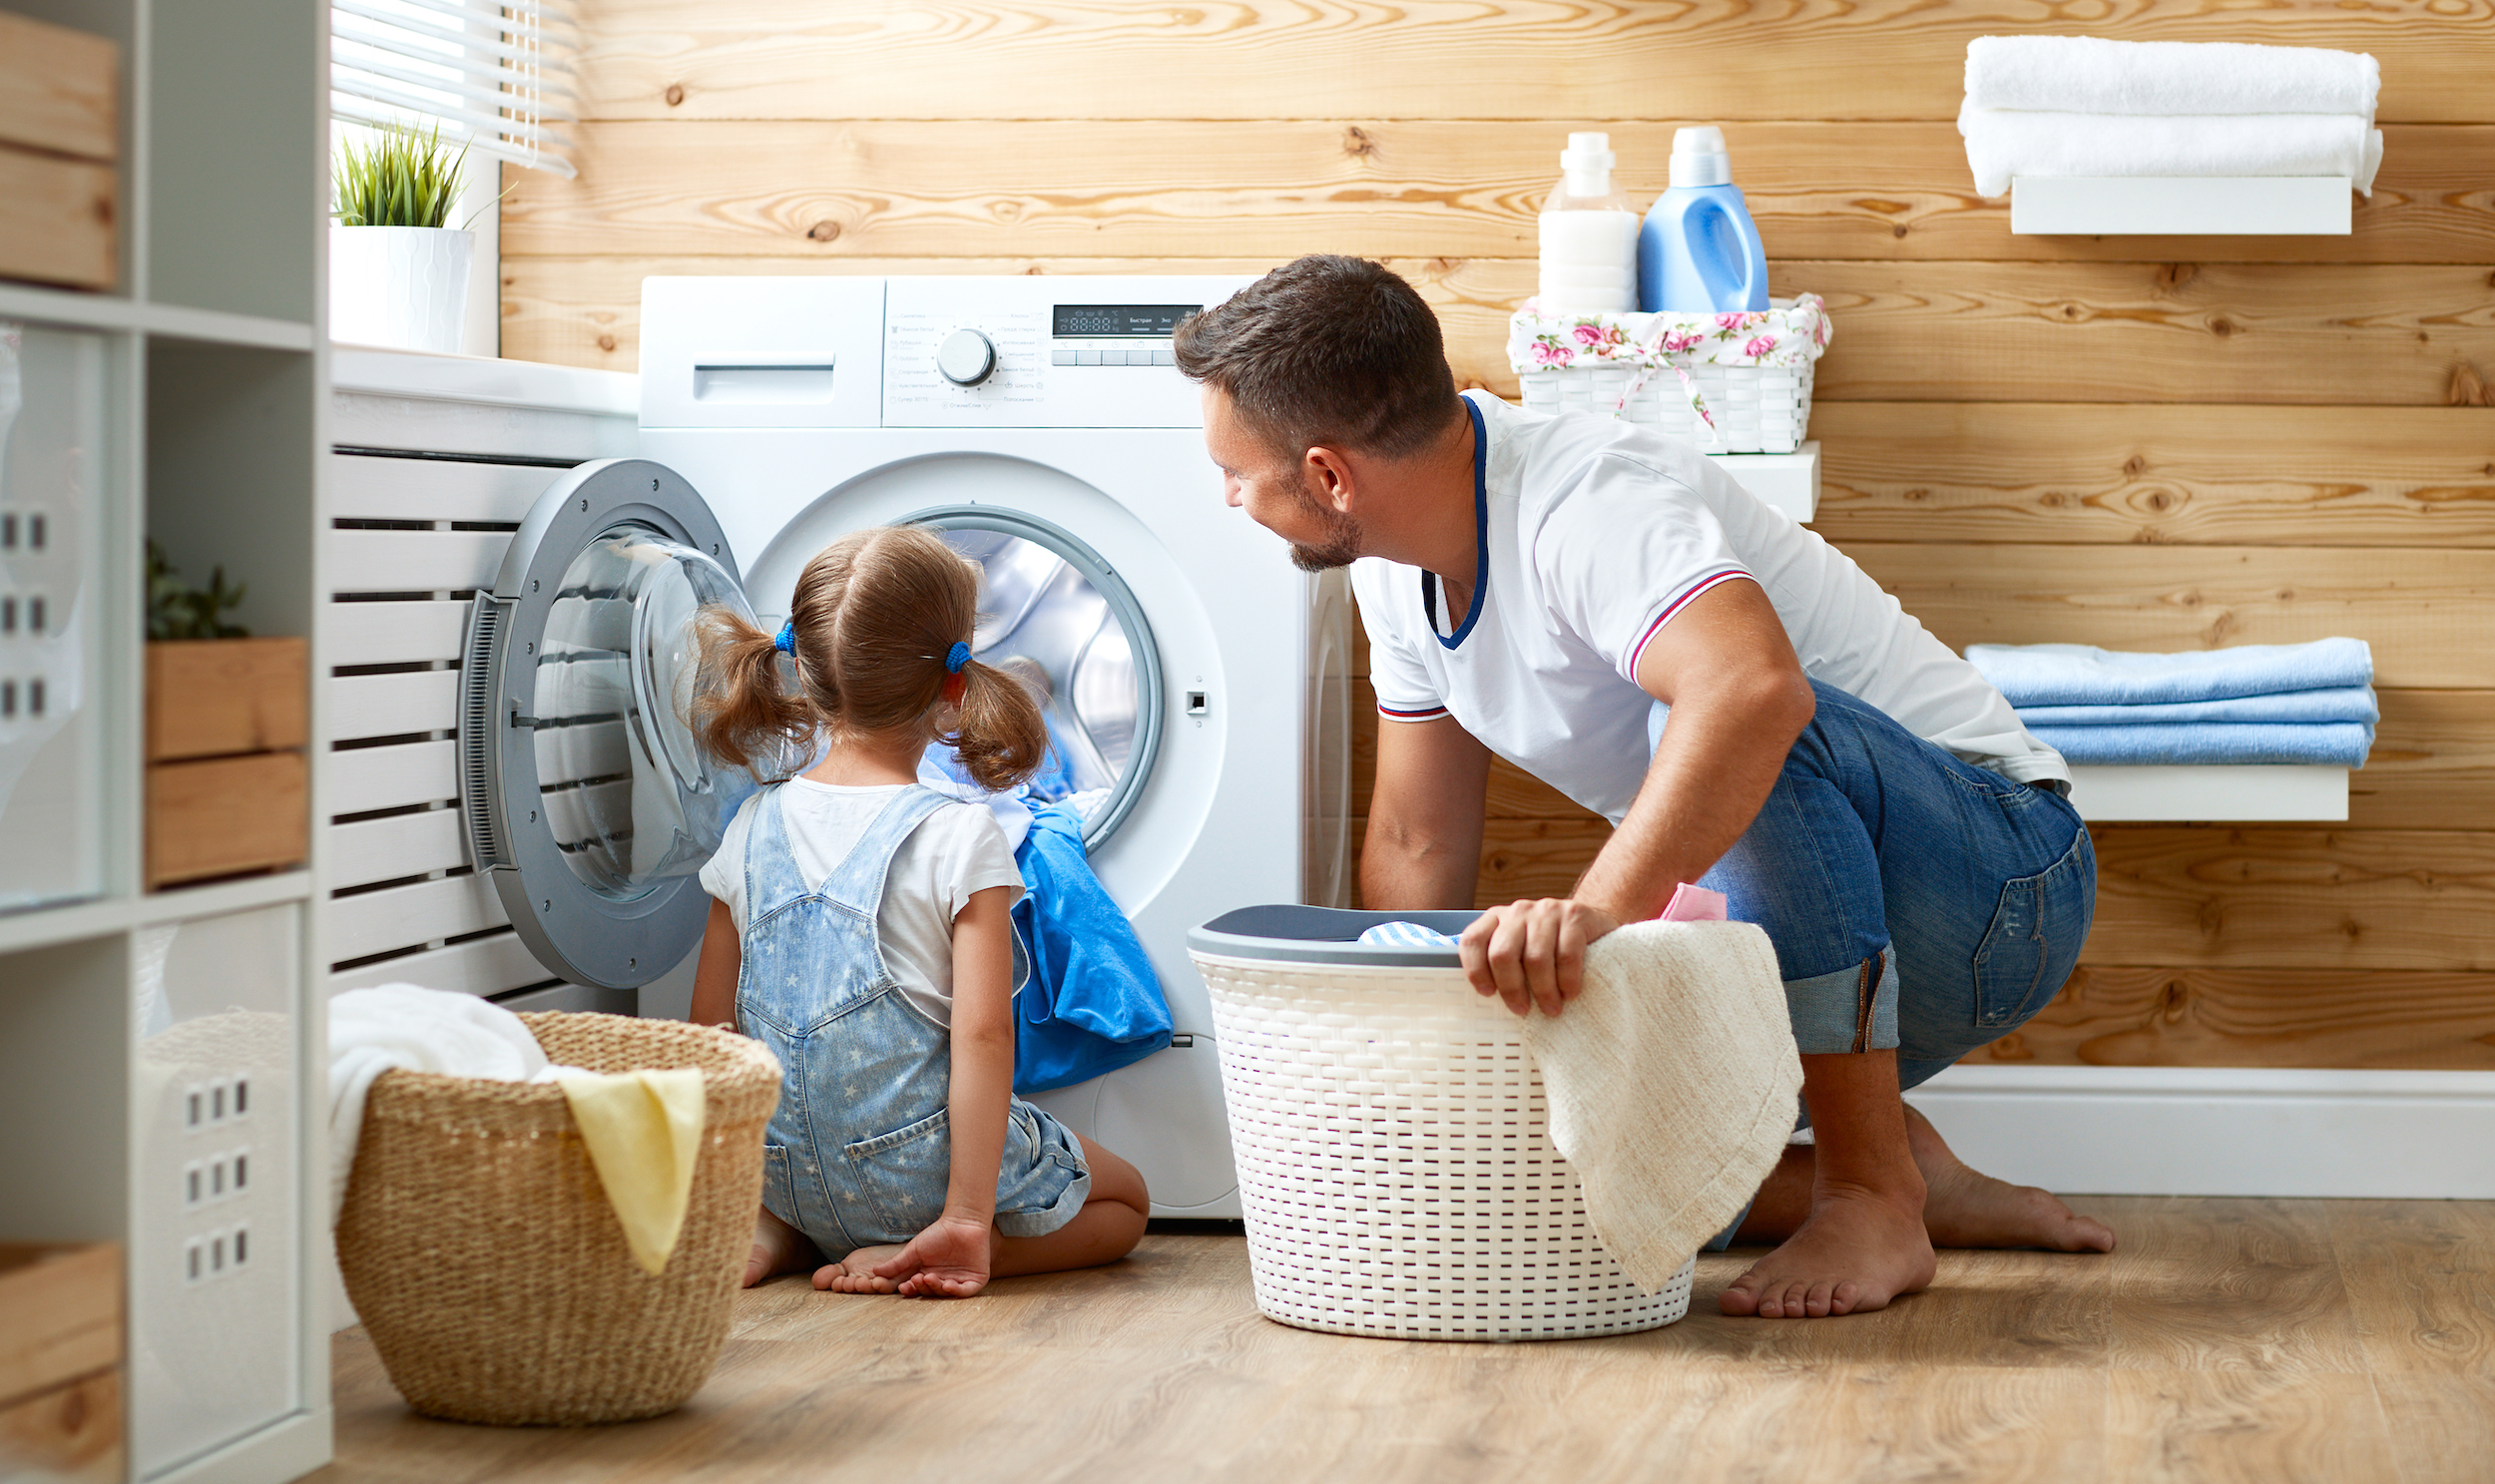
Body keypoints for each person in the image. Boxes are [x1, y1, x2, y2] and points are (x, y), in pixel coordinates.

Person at [1175, 256, 2111, 1319]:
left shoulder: (1586, 498)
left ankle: (1868, 1184)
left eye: (1236, 472)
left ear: (1329, 474)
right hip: (1801, 923)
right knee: (1537, 1162)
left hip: (1997, 884)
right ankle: (1907, 1170)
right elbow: (1414, 834)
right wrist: (1422, 1054)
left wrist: (1590, 916)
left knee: (1711, 709)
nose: (1230, 498)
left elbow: (1754, 695)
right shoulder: (1395, 567)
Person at [686, 525, 1151, 1297]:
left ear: (800, 669)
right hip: (915, 1180)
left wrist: (723, 1189)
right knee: (1126, 1201)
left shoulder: (749, 826)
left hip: (784, 1166)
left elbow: (706, 1038)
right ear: (954, 687)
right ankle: (948, 1243)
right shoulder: (958, 832)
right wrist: (967, 1213)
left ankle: (781, 1227)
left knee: (808, 1150)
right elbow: (983, 1034)